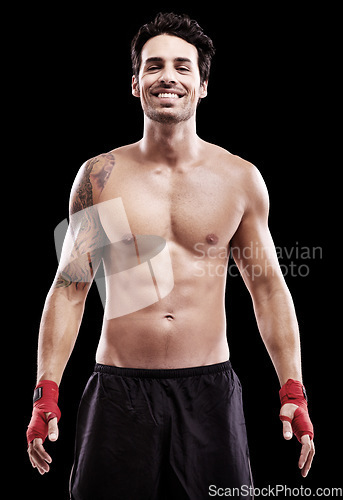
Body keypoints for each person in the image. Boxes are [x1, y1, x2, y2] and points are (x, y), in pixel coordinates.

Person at [27, 12, 315, 500]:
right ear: (135, 84)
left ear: (202, 85)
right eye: (154, 65)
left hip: (209, 394)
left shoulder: (238, 179)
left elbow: (267, 290)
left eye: (183, 67)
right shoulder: (102, 175)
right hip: (119, 393)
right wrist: (45, 393)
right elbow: (71, 289)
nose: (168, 76)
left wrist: (293, 391)